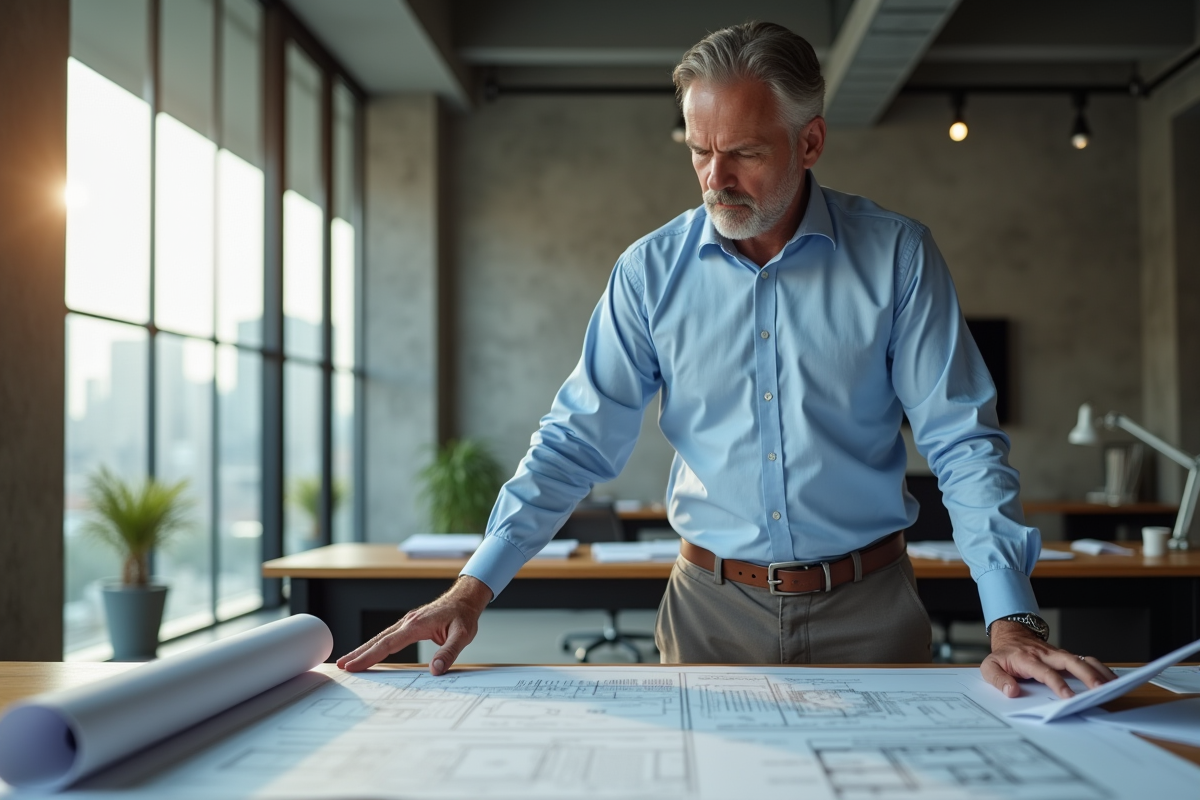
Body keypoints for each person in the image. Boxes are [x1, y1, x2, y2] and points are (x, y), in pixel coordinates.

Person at [339, 21, 1117, 699]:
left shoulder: (896, 257)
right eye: (700, 150)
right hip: (709, 610)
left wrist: (1012, 621)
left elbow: (961, 440)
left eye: (742, 152)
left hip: (870, 608)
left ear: (809, 141)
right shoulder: (649, 272)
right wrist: (472, 590)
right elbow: (576, 441)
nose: (716, 177)